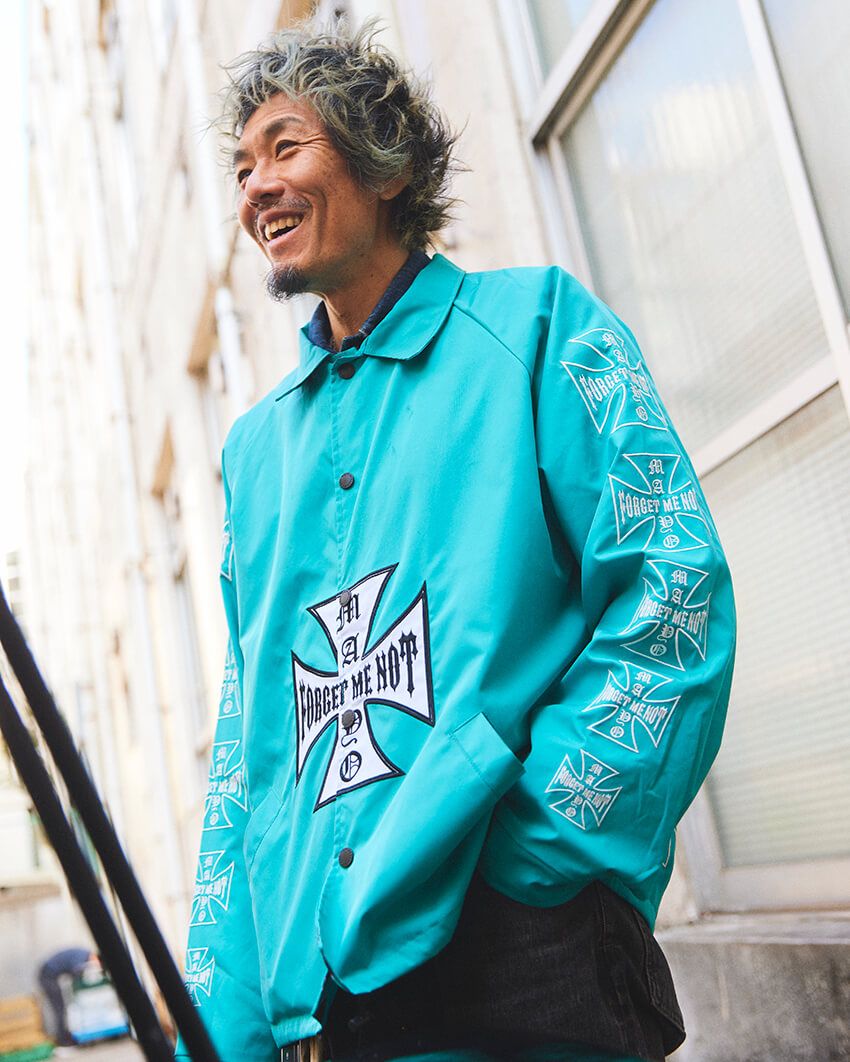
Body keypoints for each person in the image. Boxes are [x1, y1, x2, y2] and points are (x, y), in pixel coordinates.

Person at [176, 19, 736, 1062]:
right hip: (323, 1012)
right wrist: (233, 1023)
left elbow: (673, 592)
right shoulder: (253, 456)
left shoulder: (539, 329)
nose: (255, 187)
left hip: (524, 974)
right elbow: (252, 751)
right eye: (242, 167)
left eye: (285, 147)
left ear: (383, 162)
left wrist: (527, 865)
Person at [37, 947, 97, 1047]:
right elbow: (76, 972)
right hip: (47, 975)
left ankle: (65, 1036)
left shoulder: (82, 955)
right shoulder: (82, 957)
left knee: (62, 1007)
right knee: (59, 1008)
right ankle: (62, 1039)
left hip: (49, 974)